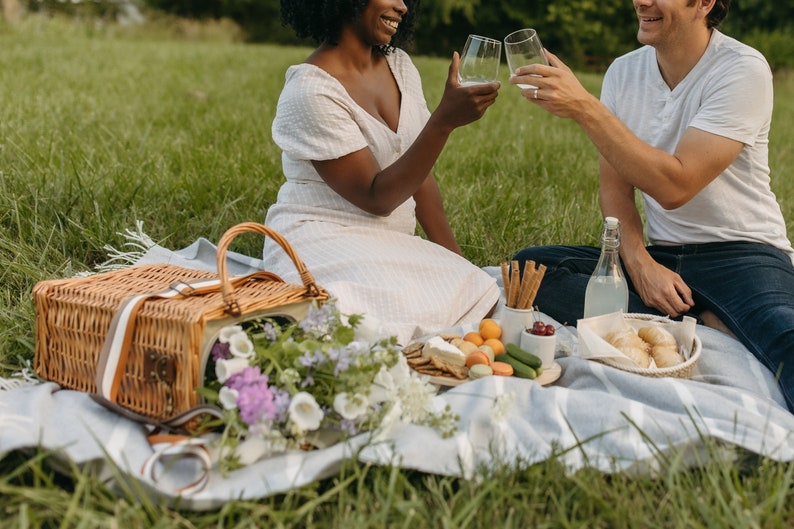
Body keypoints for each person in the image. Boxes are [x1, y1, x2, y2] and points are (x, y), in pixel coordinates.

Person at [510, 0, 794, 412]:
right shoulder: (624, 71)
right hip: (665, 261)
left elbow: (675, 185)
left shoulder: (742, 70)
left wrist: (586, 108)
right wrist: (640, 264)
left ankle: (709, 318)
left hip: (743, 255)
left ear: (705, 3)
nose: (641, 1)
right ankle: (707, 319)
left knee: (784, 334)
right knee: (532, 269)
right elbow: (615, 190)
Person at [262, 0, 501, 346]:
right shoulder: (309, 91)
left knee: (480, 293)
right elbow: (377, 198)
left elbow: (419, 175)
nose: (402, 6)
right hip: (321, 237)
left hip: (388, 243)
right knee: (351, 319)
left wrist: (459, 266)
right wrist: (443, 122)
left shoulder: (399, 66)